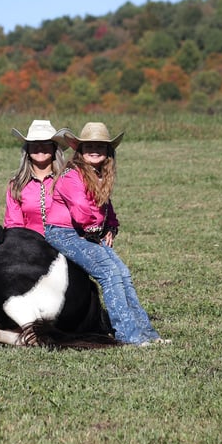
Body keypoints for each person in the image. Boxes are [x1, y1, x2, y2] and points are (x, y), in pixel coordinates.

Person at [43, 122, 169, 346]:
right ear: (79, 150)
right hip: (65, 233)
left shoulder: (99, 174)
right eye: (89, 146)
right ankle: (128, 335)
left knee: (122, 273)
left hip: (86, 233)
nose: (94, 150)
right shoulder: (72, 176)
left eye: (100, 146)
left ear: (108, 151)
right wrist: (97, 231)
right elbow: (82, 212)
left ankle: (147, 333)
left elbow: (106, 207)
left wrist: (110, 226)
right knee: (109, 273)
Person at [4, 120, 67, 235]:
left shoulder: (67, 180)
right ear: (27, 149)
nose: (40, 147)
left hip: (66, 243)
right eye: (34, 143)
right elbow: (14, 225)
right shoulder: (16, 185)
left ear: (54, 149)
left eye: (46, 143)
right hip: (29, 246)